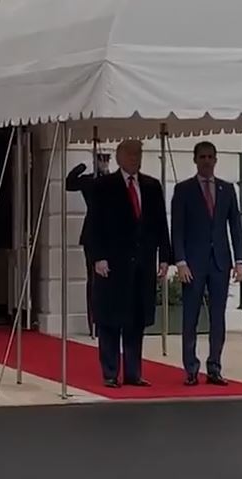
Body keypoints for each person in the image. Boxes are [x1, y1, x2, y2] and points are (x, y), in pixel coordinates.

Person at [89, 139, 171, 388]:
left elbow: (160, 224)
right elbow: (94, 225)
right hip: (113, 264)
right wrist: (98, 257)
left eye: (139, 154)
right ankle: (111, 372)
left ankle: (133, 372)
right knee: (111, 320)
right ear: (119, 157)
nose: (136, 158)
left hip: (142, 264)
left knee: (136, 320)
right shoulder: (103, 186)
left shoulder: (151, 186)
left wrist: (165, 256)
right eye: (131, 153)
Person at [170, 141, 242, 386]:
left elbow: (235, 226)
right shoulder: (184, 190)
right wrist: (180, 261)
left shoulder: (227, 189)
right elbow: (177, 229)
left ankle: (214, 366)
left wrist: (240, 260)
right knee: (190, 317)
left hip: (220, 263)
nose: (206, 160)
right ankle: (191, 367)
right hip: (193, 263)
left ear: (216, 159)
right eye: (202, 156)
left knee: (218, 318)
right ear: (195, 159)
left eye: (211, 156)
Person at [65, 150, 110, 337]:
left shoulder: (115, 180)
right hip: (93, 234)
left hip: (112, 235)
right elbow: (69, 183)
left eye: (107, 158)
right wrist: (83, 165)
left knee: (113, 281)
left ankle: (110, 321)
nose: (104, 162)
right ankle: (94, 324)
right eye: (100, 158)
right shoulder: (89, 180)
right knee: (93, 280)